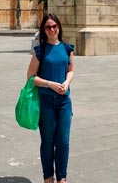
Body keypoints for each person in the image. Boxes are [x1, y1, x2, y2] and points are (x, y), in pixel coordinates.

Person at [26, 14, 75, 183]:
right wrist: (50, 84)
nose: (52, 29)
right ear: (44, 30)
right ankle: (48, 177)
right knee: (47, 142)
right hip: (46, 102)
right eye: (48, 27)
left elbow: (70, 70)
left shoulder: (67, 48)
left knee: (63, 141)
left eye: (54, 26)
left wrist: (67, 82)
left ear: (59, 27)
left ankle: (62, 177)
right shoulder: (40, 50)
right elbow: (31, 78)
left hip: (64, 102)